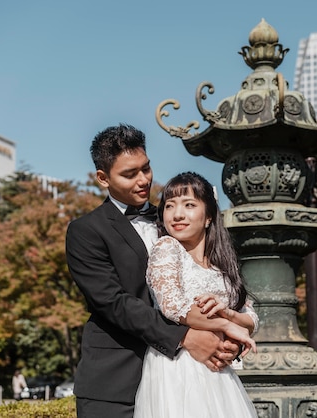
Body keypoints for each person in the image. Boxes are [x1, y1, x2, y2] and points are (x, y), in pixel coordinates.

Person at [66, 124, 241, 418]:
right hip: (116, 382)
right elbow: (113, 302)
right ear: (102, 178)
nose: (143, 180)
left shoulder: (176, 219)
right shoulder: (85, 231)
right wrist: (185, 337)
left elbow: (214, 280)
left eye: (146, 168)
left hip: (186, 379)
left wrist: (227, 335)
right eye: (129, 174)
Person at [134, 172, 259, 418]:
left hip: (219, 374)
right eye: (170, 206)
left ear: (209, 216)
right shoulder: (166, 248)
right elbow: (172, 306)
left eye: (189, 205)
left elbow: (252, 318)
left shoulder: (221, 266)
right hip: (178, 367)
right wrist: (225, 324)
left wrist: (227, 312)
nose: (177, 214)